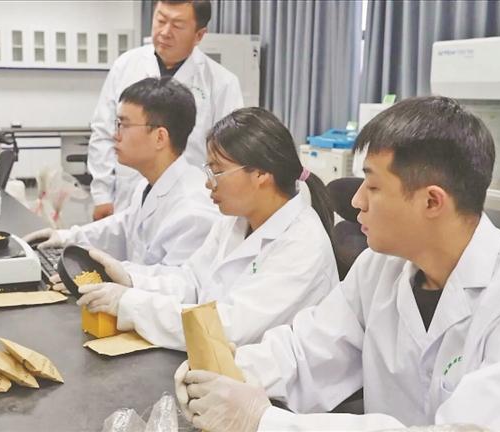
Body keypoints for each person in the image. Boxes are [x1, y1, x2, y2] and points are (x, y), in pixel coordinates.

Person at [174, 96, 500, 431]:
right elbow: (306, 350)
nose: (357, 200)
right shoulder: (380, 268)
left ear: (432, 201)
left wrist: (261, 420)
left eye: (374, 185)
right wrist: (227, 370)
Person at [76, 107, 339, 350]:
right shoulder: (236, 220)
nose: (208, 184)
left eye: (217, 171)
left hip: (263, 377)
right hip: (220, 362)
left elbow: (229, 328)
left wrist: (130, 304)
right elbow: (193, 280)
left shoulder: (302, 245)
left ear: (260, 174)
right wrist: (130, 279)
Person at [24, 78, 219, 275]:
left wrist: (106, 277)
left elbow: (175, 284)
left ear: (160, 137)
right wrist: (67, 238)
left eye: (123, 125)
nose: (115, 135)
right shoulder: (148, 184)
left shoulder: (193, 213)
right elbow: (122, 227)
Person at [88, 0, 243, 221]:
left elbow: (229, 154)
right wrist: (101, 194)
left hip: (191, 203)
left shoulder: (221, 83)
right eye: (160, 20)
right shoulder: (126, 66)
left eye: (177, 25)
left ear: (199, 35)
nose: (165, 32)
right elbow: (104, 132)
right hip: (129, 195)